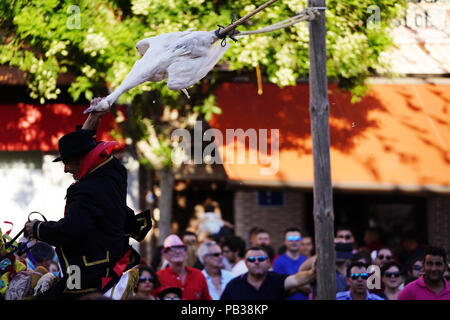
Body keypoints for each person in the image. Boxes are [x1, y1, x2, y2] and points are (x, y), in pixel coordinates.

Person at [25, 102, 151, 299]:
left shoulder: (85, 190)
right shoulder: (113, 169)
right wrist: (94, 118)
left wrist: (38, 228)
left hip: (92, 272)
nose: (66, 169)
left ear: (81, 159)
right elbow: (85, 146)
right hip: (113, 260)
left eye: (67, 162)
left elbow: (71, 229)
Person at [220, 246, 316, 300]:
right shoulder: (234, 285)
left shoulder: (276, 280)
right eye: (252, 259)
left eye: (261, 259)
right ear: (246, 264)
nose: (256, 262)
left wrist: (313, 271)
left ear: (268, 262)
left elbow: (297, 279)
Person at [156, 234, 211, 300]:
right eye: (172, 249)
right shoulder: (159, 277)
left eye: (181, 248)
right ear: (165, 255)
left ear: (186, 253)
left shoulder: (198, 274)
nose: (177, 251)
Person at [272, 228, 309, 300]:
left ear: (301, 241)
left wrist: (291, 283)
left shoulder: (306, 261)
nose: (294, 242)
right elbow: (280, 289)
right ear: (285, 242)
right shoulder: (278, 262)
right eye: (290, 239)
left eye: (297, 239)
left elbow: (310, 289)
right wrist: (302, 283)